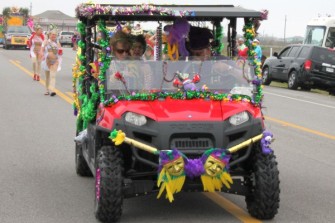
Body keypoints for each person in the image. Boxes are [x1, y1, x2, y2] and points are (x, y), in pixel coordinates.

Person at [41, 28, 63, 96]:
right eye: (52, 34)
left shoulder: (57, 43)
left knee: (53, 76)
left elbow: (60, 52)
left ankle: (52, 90)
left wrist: (60, 52)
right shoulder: (46, 42)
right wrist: (42, 54)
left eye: (55, 35)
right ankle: (47, 90)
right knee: (47, 76)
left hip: (55, 61)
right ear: (49, 35)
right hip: (47, 61)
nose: (54, 36)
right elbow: (42, 49)